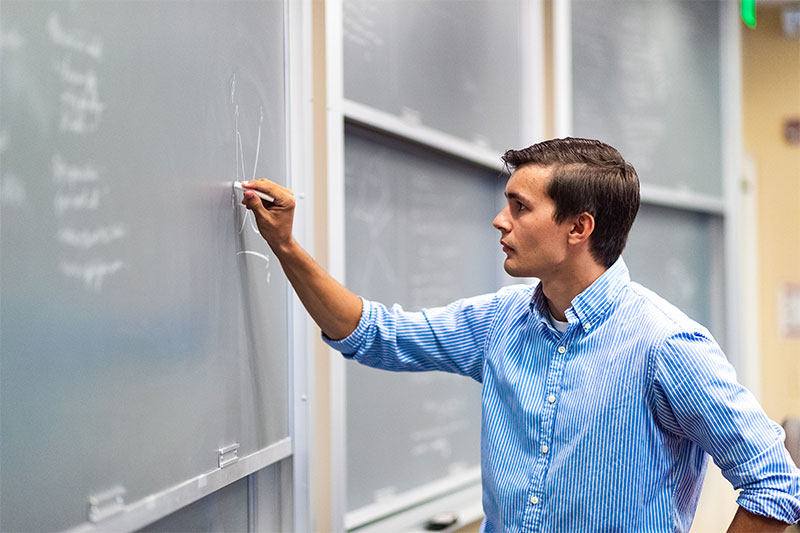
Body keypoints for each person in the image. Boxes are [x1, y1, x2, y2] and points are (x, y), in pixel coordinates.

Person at [240, 137, 800, 532]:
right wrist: (287, 247)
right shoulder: (499, 323)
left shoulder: (667, 346)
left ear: (579, 228)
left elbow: (775, 485)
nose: (499, 221)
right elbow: (373, 333)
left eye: (519, 206)